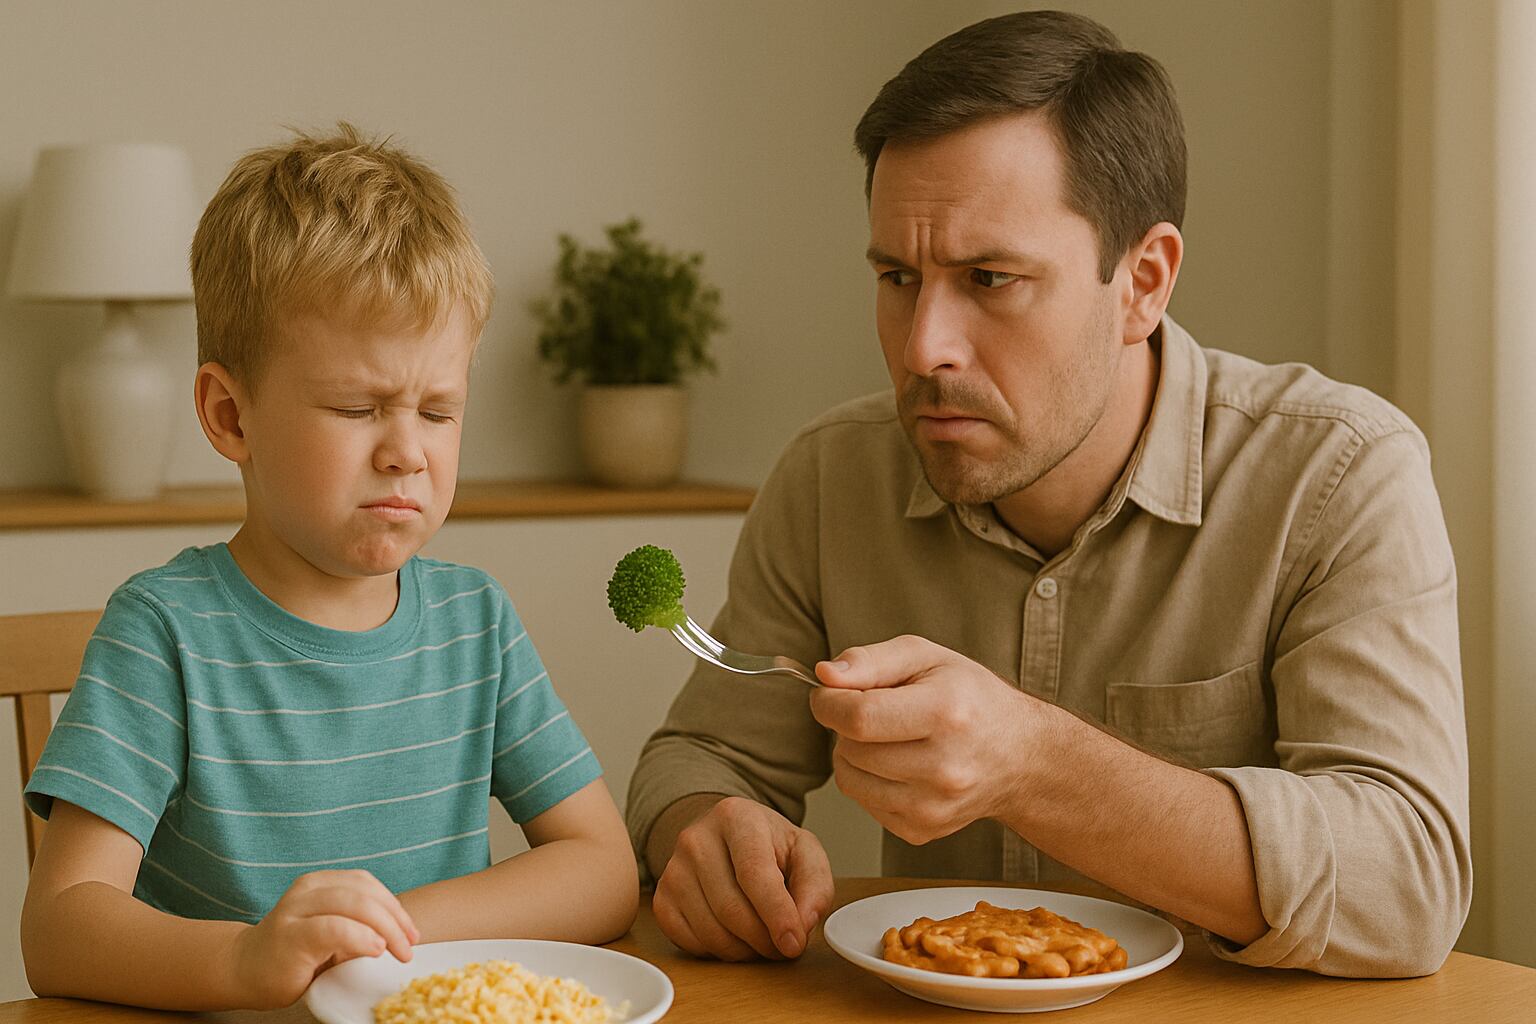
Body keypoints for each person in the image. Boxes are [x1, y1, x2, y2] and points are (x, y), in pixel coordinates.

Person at [626, 10, 1470, 978]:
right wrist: (705, 829)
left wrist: (1034, 760)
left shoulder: (1337, 473)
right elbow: (699, 754)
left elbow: (1408, 881)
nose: (922, 346)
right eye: (898, 276)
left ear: (1144, 282)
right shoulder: (829, 476)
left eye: (991, 277)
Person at [19, 124, 638, 1011]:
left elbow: (604, 870)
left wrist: (382, 932)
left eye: (438, 410)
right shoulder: (164, 631)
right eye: (358, 406)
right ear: (231, 416)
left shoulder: (477, 620)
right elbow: (61, 929)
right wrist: (244, 961)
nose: (407, 452)